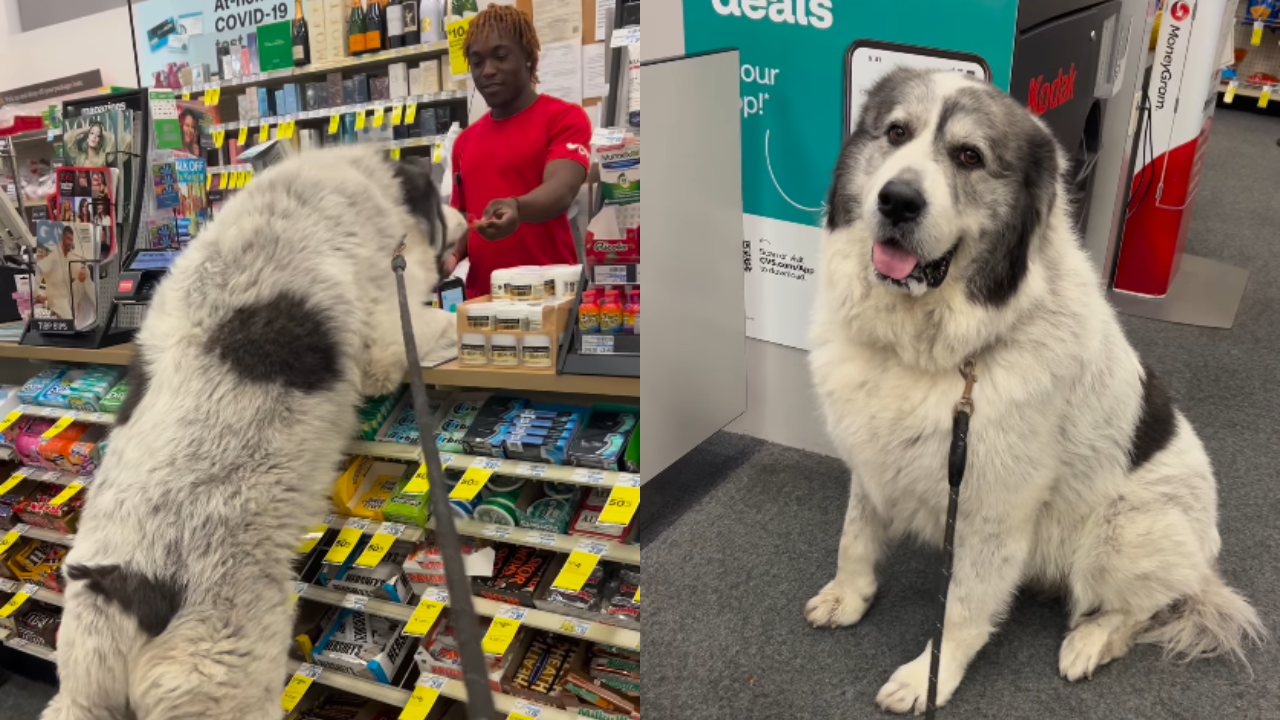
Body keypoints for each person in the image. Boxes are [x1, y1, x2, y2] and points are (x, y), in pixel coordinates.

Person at [445, 4, 591, 299]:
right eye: (477, 62)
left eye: (501, 56)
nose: (487, 70)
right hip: (484, 305)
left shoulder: (563, 118)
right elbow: (463, 218)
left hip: (550, 303)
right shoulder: (464, 142)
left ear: (528, 57)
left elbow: (561, 190)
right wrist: (449, 256)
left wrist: (518, 208)